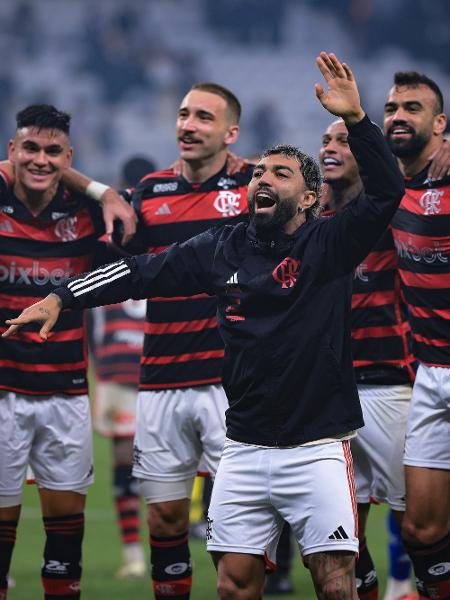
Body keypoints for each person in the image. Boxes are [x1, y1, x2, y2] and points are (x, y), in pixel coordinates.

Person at [2, 51, 405, 600]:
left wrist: (358, 122)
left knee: (335, 582)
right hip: (242, 446)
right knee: (234, 587)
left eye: (281, 174)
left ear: (309, 198)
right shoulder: (222, 247)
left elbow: (385, 193)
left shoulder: (329, 243)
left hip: (317, 447)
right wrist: (63, 296)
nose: (263, 179)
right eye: (259, 171)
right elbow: (141, 271)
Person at [0, 104, 135, 600]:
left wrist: (106, 197)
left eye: (53, 151)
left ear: (69, 156)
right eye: (29, 148)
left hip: (67, 395)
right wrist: (101, 186)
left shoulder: (87, 219)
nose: (40, 159)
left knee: (65, 540)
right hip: (2, 396)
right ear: (11, 152)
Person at [320, 118, 416, 600]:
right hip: (328, 390)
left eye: (344, 141)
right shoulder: (309, 219)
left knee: (417, 523)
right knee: (342, 534)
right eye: (325, 141)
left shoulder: (389, 210)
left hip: (388, 383)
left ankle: (413, 584)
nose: (330, 148)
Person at [383, 72, 450, 600]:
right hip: (430, 372)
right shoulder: (386, 187)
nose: (398, 115)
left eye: (412, 107)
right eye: (392, 108)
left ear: (439, 123)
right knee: (422, 529)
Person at [88, 156, 157, 579]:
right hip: (152, 367)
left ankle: (135, 553)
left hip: (120, 367)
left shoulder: (107, 235)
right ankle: (150, 548)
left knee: (123, 462)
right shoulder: (163, 231)